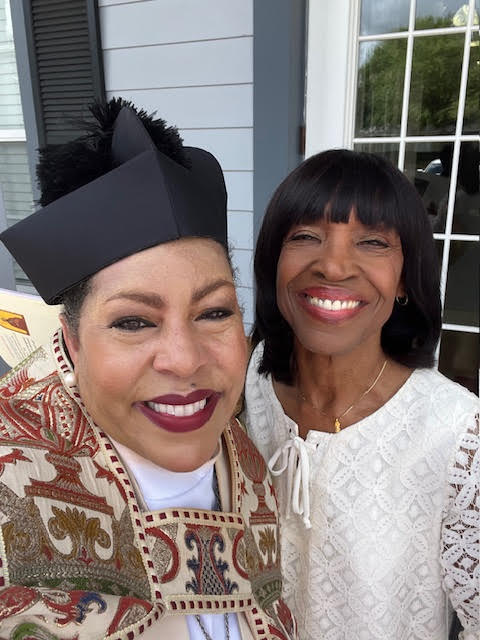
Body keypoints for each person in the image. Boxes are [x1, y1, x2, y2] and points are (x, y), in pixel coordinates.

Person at [0, 99, 297, 640]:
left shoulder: (248, 465)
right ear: (72, 342)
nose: (184, 360)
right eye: (133, 322)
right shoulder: (10, 483)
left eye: (214, 312)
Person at [243, 149, 479, 640]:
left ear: (404, 280)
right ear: (273, 262)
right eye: (305, 236)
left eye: (372, 242)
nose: (332, 266)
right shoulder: (245, 384)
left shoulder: (459, 437)